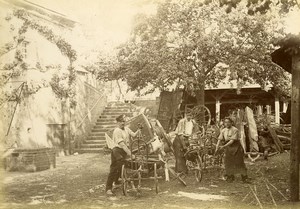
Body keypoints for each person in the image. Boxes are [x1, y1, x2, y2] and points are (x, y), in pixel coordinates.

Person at [105, 114, 140, 196]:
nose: (123, 123)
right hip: (116, 150)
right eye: (121, 122)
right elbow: (122, 145)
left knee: (121, 166)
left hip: (123, 151)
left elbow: (134, 135)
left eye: (124, 121)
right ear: (117, 122)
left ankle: (117, 181)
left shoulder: (126, 129)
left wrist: (139, 130)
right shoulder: (117, 131)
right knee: (114, 168)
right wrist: (131, 155)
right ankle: (108, 189)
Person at [216, 117, 250, 183]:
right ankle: (230, 177)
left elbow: (232, 141)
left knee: (239, 162)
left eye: (228, 122)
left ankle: (244, 178)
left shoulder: (235, 130)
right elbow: (219, 139)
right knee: (228, 162)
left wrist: (223, 146)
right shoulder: (223, 130)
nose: (227, 123)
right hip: (228, 148)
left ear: (231, 123)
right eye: (225, 122)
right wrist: (217, 147)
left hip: (236, 147)